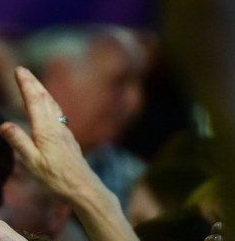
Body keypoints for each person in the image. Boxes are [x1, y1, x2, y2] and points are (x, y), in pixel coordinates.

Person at [22, 26, 147, 205]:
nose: (135, 101)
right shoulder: (2, 161)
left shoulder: (136, 184)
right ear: (59, 79)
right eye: (118, 82)